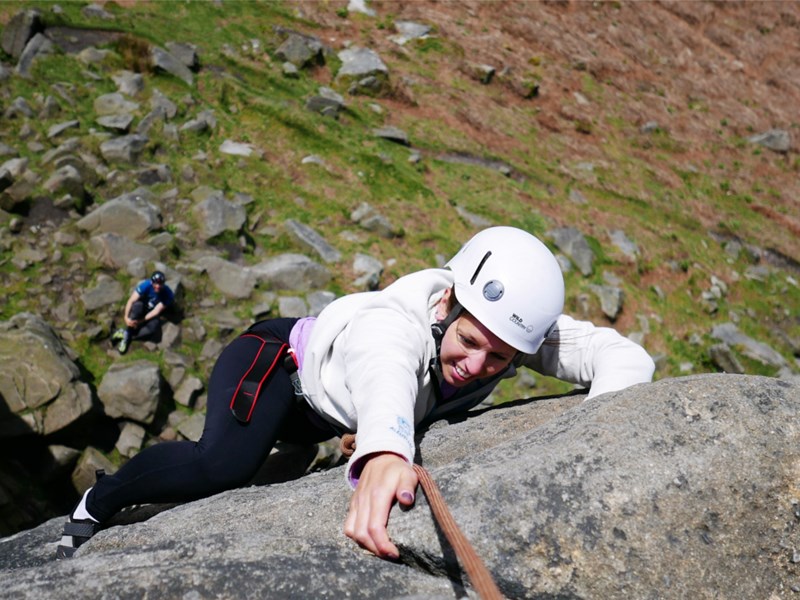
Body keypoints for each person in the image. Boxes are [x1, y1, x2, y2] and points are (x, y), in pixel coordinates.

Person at [56, 226, 655, 559]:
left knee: (277, 466)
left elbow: (624, 357)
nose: (476, 366)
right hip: (274, 367)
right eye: (470, 342)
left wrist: (591, 433)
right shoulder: (395, 320)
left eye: (501, 358)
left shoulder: (505, 329)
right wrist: (387, 451)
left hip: (322, 411)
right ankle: (98, 502)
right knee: (222, 463)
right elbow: (384, 368)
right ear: (447, 304)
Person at [111, 270, 175, 354]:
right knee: (138, 306)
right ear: (152, 282)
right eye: (155, 283)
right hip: (141, 307)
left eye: (160, 284)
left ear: (164, 284)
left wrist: (141, 321)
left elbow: (156, 311)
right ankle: (127, 334)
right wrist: (126, 317)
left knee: (153, 327)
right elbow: (131, 301)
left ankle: (126, 334)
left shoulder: (168, 294)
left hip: (151, 313)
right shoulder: (145, 285)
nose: (158, 286)